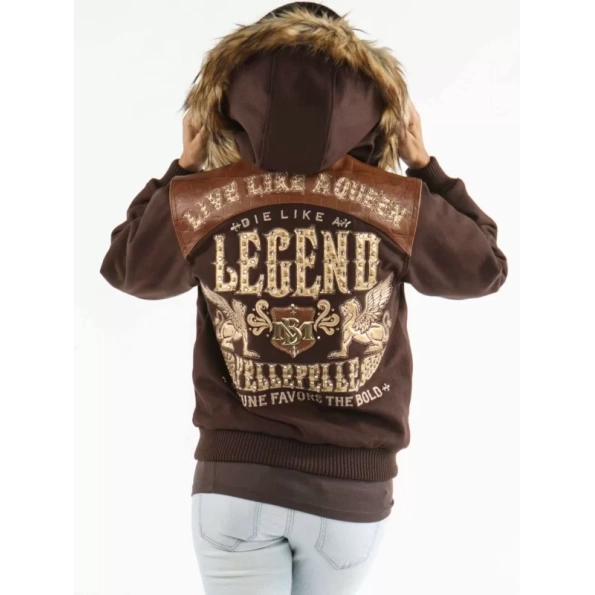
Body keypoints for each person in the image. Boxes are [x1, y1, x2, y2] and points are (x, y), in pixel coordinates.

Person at [100, 3, 508, 594]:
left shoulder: (205, 201)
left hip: (234, 485)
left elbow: (128, 267)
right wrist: (425, 168)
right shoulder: (396, 204)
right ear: (372, 104)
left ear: (229, 103)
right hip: (350, 492)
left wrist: (182, 170)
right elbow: (484, 268)